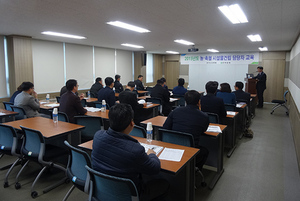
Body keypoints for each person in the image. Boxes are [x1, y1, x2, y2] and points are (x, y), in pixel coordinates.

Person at [92, 104, 169, 201]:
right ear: (132, 123)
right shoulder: (135, 150)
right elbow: (155, 168)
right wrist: (152, 154)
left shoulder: (97, 136)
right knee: (164, 183)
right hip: (129, 194)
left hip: (101, 188)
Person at [163, 90, 209, 170]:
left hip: (172, 146)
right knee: (205, 151)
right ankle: (195, 170)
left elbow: (165, 128)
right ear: (199, 101)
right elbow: (202, 131)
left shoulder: (175, 111)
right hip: (190, 150)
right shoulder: (204, 116)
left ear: (185, 100)